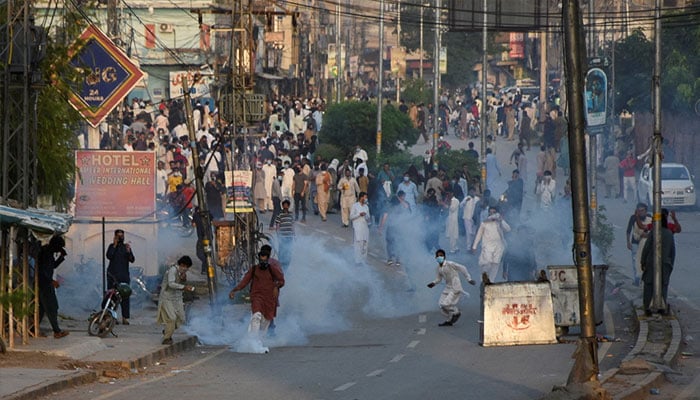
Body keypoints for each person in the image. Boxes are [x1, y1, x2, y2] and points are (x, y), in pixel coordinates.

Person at [228, 246, 285, 352]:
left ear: (268, 258)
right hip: (257, 297)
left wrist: (277, 286)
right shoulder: (254, 269)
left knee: (265, 322)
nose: (263, 262)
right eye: (261, 259)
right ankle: (252, 341)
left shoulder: (273, 268)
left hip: (269, 300)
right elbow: (245, 281)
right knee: (256, 316)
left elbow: (281, 280)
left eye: (265, 259)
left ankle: (258, 343)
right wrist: (235, 290)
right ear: (259, 259)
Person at [426, 249, 476, 326]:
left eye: (441, 256)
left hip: (455, 287)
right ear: (435, 257)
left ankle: (456, 311)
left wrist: (469, 279)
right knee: (441, 306)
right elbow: (438, 279)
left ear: (444, 256)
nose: (440, 257)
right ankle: (449, 320)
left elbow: (462, 268)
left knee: (445, 304)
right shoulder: (438, 268)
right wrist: (433, 283)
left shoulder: (450, 264)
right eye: (438, 256)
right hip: (448, 288)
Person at [640, 215, 675, 315]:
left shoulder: (653, 233)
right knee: (663, 286)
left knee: (649, 285)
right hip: (666, 264)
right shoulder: (669, 233)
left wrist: (643, 262)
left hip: (651, 263)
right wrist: (670, 265)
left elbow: (646, 248)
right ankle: (662, 308)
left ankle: (647, 308)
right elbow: (672, 252)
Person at [157, 256, 196, 345]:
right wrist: (184, 287)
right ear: (182, 265)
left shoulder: (180, 272)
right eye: (186, 267)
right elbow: (171, 284)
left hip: (176, 298)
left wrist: (183, 280)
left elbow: (180, 282)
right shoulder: (173, 270)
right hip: (167, 298)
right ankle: (167, 338)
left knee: (182, 318)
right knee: (172, 318)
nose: (186, 269)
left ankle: (167, 330)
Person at [37, 236, 70, 338]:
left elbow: (53, 266)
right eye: (60, 247)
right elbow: (42, 271)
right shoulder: (46, 253)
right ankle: (57, 331)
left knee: (42, 309)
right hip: (45, 284)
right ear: (56, 245)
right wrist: (51, 281)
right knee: (52, 307)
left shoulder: (49, 252)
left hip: (44, 283)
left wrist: (61, 257)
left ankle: (33, 329)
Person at [471, 206, 511, 283]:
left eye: (494, 212)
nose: (492, 214)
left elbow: (508, 229)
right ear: (488, 213)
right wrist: (474, 246)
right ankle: (483, 281)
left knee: (495, 265)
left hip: (498, 247)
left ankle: (491, 282)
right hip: (487, 246)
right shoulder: (484, 223)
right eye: (491, 212)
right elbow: (479, 235)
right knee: (486, 264)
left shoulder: (499, 222)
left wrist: (501, 220)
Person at [106, 229, 136, 325]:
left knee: (125, 296)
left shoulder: (126, 247)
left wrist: (128, 251)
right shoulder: (111, 246)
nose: (120, 238)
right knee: (112, 297)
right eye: (118, 236)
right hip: (112, 276)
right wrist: (114, 245)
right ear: (115, 236)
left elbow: (132, 259)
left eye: (122, 236)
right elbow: (109, 256)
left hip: (124, 276)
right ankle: (111, 317)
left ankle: (125, 318)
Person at [378, 191, 411, 266]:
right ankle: (392, 259)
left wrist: (380, 228)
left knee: (396, 242)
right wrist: (380, 228)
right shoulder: (391, 205)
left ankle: (396, 259)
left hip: (398, 227)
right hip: (392, 227)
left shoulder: (403, 204)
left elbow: (407, 210)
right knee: (391, 243)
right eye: (403, 197)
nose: (404, 198)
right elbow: (385, 216)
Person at [626, 203, 652, 286]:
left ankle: (644, 278)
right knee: (635, 260)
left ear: (646, 211)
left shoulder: (649, 218)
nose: (641, 213)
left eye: (642, 210)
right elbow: (628, 231)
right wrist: (628, 242)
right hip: (635, 242)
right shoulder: (633, 218)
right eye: (639, 211)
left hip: (645, 242)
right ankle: (637, 278)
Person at [350, 191, 371, 265]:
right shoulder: (355, 206)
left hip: (365, 227)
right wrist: (359, 214)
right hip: (357, 227)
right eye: (365, 197)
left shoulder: (366, 207)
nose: (366, 199)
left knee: (365, 244)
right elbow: (351, 217)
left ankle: (363, 261)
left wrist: (366, 216)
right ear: (361, 197)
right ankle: (357, 261)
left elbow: (368, 217)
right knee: (358, 244)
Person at [274, 199, 295, 270]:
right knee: (282, 250)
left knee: (288, 250)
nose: (285, 206)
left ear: (288, 206)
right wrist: (278, 234)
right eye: (284, 205)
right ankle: (280, 264)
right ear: (282, 206)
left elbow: (292, 225)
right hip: (282, 236)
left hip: (290, 236)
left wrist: (294, 234)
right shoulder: (280, 214)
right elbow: (277, 225)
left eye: (287, 205)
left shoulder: (291, 215)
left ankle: (287, 264)